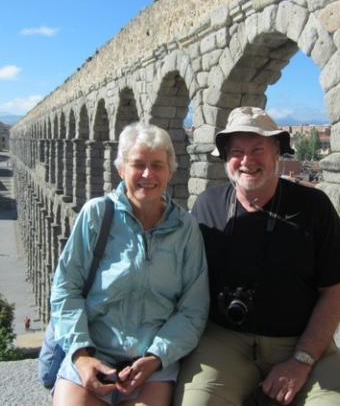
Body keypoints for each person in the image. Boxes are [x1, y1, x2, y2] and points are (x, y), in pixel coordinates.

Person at [174, 106, 340, 406]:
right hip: (224, 340)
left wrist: (302, 360)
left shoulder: (314, 207)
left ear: (277, 152)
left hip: (301, 340)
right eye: (236, 151)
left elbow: (334, 290)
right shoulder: (207, 205)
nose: (247, 161)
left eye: (257, 149)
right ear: (225, 158)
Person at [51, 122, 209, 406]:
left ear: (171, 171)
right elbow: (66, 289)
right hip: (93, 352)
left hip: (153, 363)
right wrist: (81, 356)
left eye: (157, 165)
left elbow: (193, 309)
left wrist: (156, 357)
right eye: (138, 164)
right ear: (121, 169)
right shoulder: (96, 215)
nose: (148, 174)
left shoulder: (185, 228)